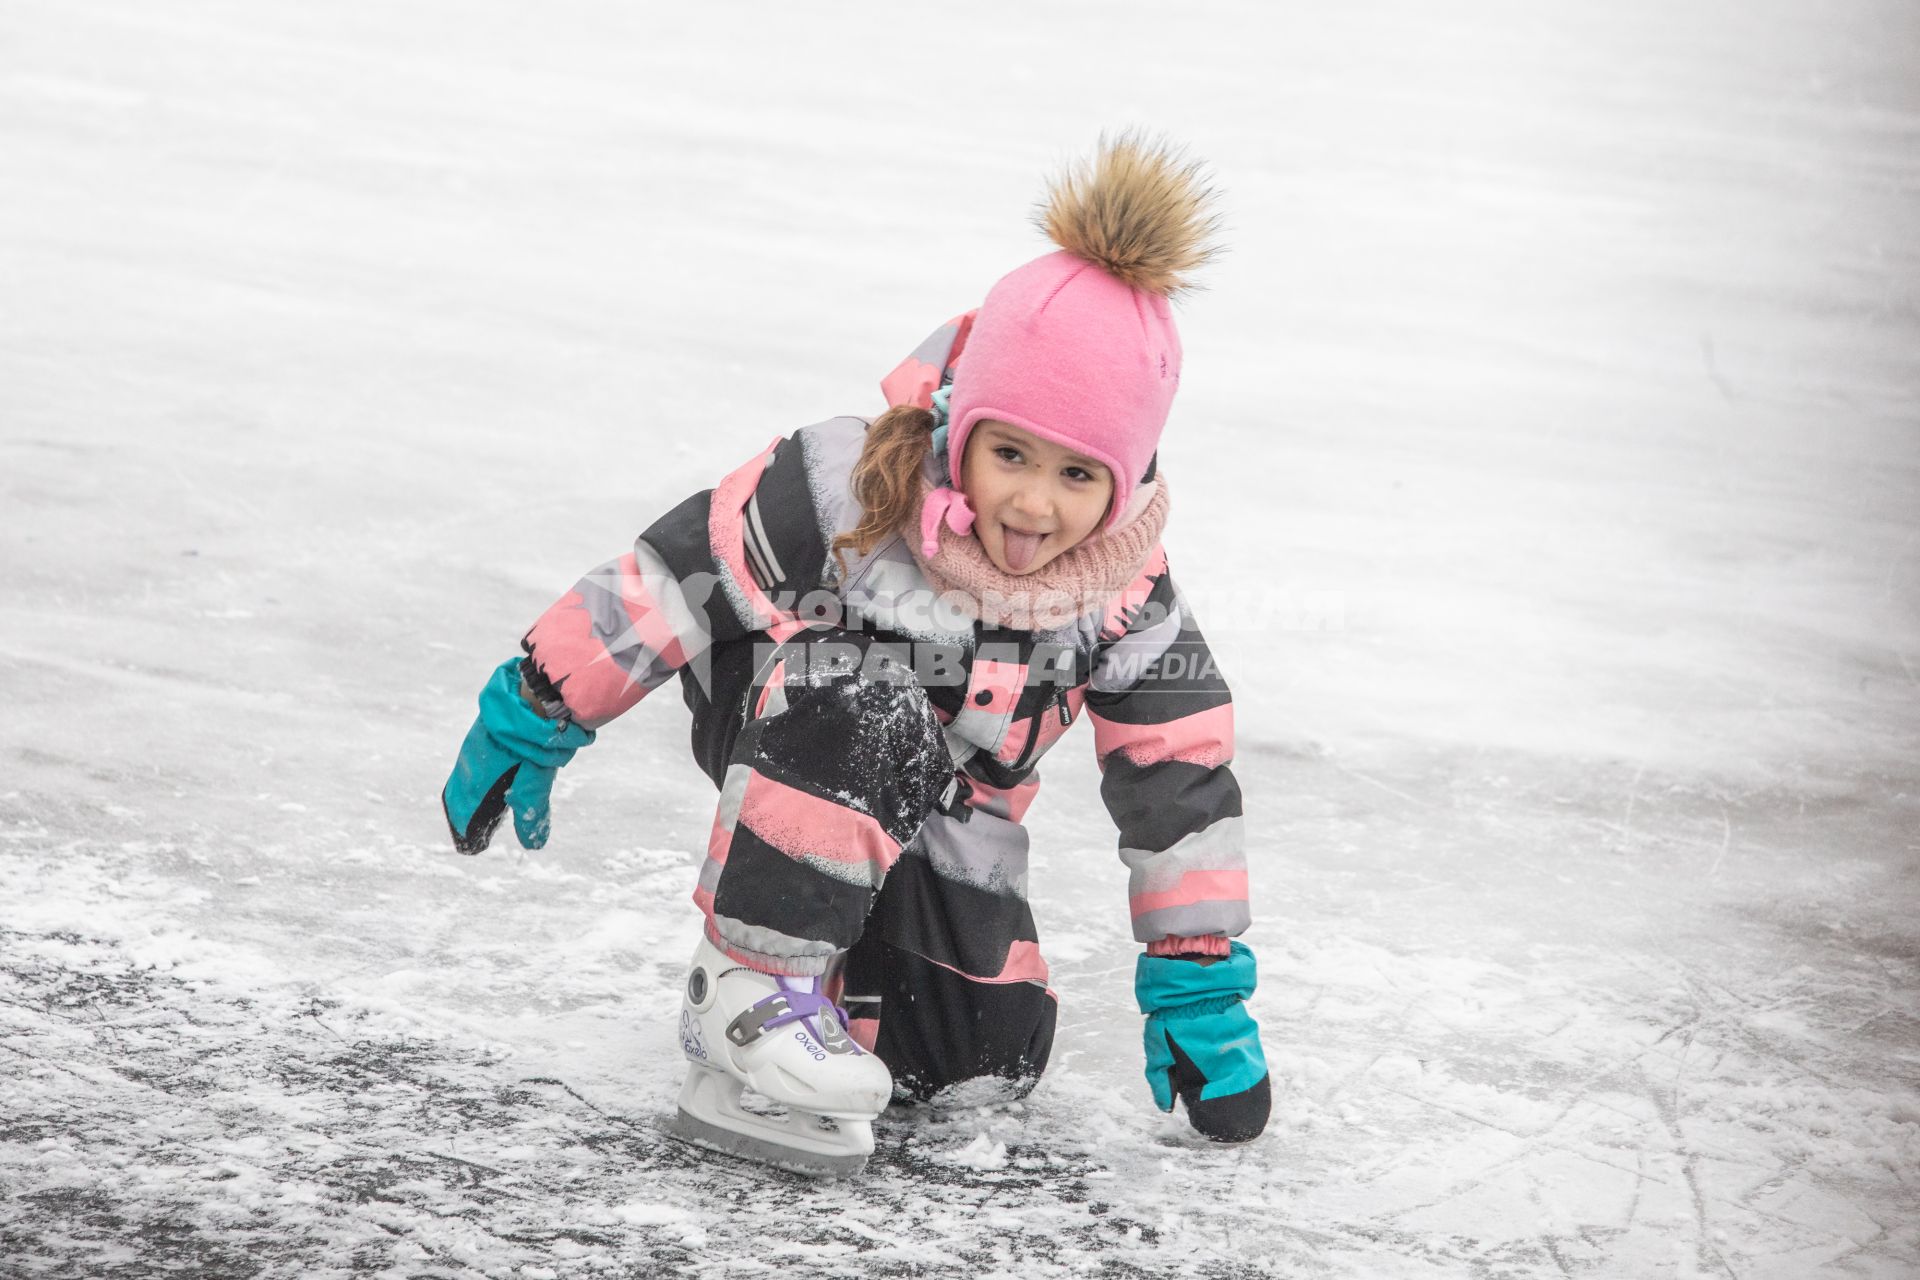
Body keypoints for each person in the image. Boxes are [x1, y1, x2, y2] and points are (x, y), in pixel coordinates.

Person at [443, 133, 1271, 1177]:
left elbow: (1182, 782)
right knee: (876, 697)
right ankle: (744, 988)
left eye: (1076, 474)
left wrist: (1198, 980)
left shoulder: (1129, 599)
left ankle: (838, 987)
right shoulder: (843, 485)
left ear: (1125, 482)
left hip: (944, 806)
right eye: (1009, 451)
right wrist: (542, 699)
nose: (1031, 501)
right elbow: (670, 579)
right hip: (792, 708)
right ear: (962, 423)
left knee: (980, 1058)